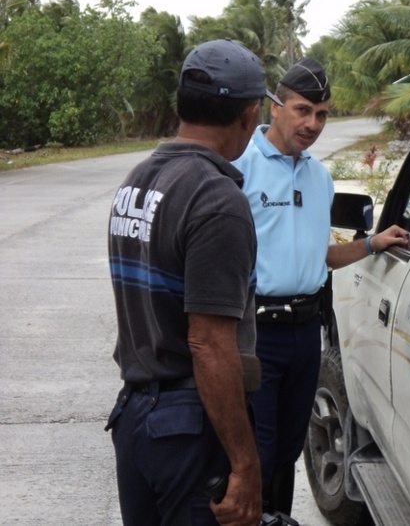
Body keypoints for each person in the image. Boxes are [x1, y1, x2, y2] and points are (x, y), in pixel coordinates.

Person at [105, 38, 277, 526]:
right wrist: (246, 466)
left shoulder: (137, 182)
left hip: (137, 417)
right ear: (248, 115)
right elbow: (208, 343)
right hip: (187, 426)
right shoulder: (217, 199)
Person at [232, 57, 410, 515]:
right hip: (256, 334)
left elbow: (320, 257)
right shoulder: (240, 168)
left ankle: (280, 519)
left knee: (290, 449)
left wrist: (372, 243)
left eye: (322, 114)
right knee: (258, 451)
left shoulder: (319, 176)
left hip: (305, 334)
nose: (312, 123)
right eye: (302, 110)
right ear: (275, 107)